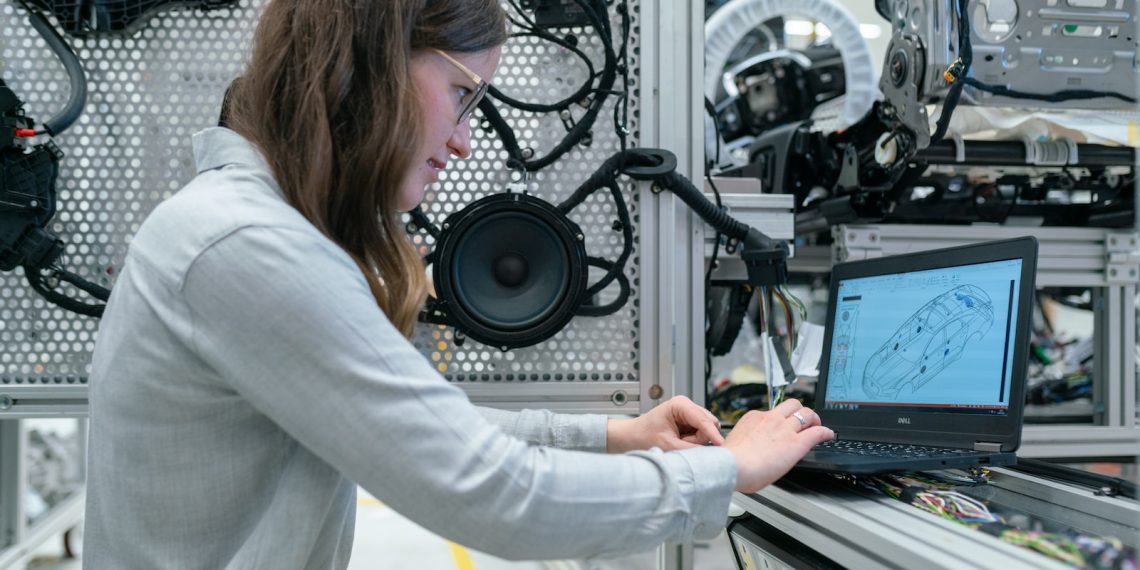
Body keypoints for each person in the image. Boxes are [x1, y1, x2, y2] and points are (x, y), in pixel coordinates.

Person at [82, 0, 835, 568]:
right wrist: (727, 469)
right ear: (366, 64)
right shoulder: (249, 246)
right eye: (463, 93)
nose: (464, 138)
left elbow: (407, 420)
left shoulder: (247, 227)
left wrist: (616, 437)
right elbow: (494, 494)